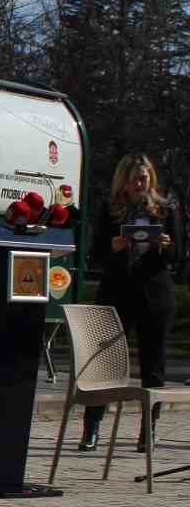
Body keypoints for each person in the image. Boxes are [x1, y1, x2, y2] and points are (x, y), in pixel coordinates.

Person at [77, 153, 181, 452]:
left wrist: (165, 247)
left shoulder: (164, 209)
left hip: (155, 296)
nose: (140, 184)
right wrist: (114, 246)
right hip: (117, 294)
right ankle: (91, 429)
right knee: (102, 365)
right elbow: (95, 254)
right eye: (135, 179)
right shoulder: (110, 210)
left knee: (153, 366)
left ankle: (148, 431)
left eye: (145, 179)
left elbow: (177, 256)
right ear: (123, 181)